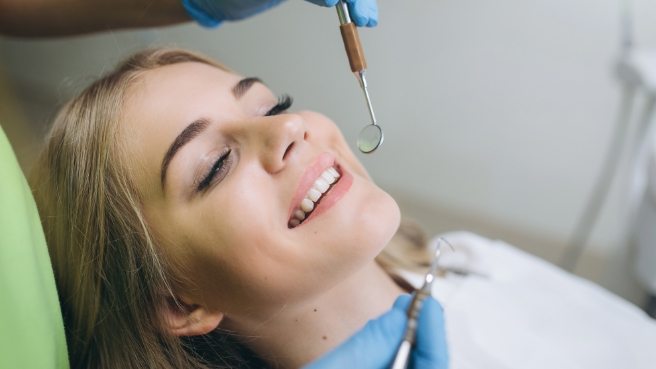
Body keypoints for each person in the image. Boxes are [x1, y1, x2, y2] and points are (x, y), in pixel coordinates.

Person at [0, 1, 447, 368]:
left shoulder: (484, 265)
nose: (288, 128)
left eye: (272, 107)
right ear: (179, 303)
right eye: (216, 166)